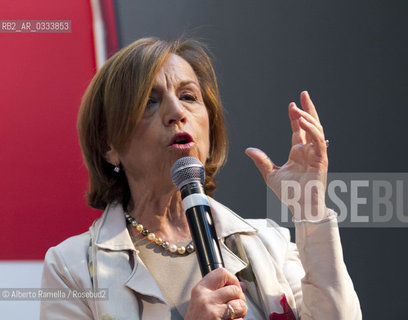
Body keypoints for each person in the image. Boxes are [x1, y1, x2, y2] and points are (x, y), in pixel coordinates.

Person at [40, 37, 362, 320]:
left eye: (189, 96)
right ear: (110, 145)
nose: (176, 112)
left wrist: (311, 210)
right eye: (149, 102)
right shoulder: (73, 270)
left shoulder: (269, 244)